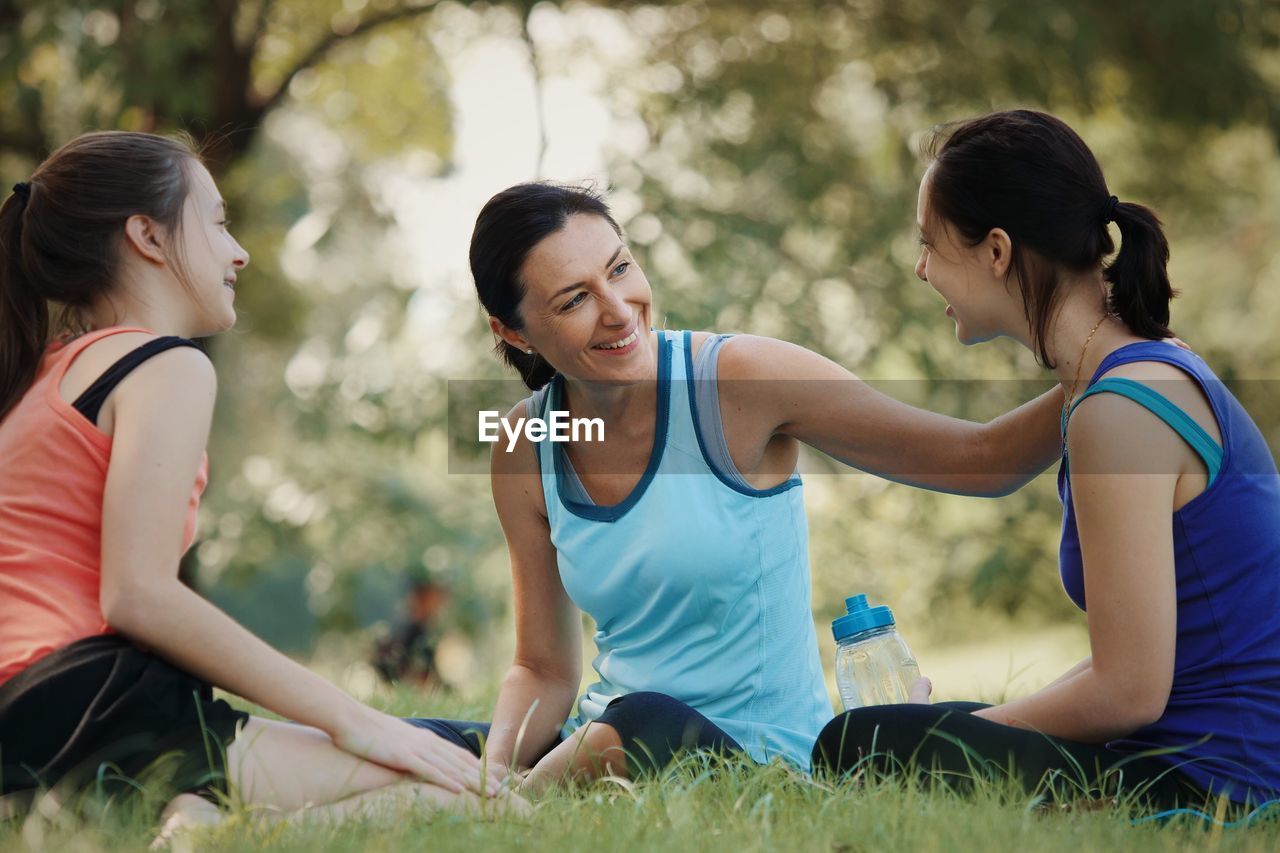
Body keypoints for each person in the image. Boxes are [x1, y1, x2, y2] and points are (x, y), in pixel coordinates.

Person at [407, 182, 1071, 793]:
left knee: (640, 721)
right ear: (512, 330)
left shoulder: (737, 381)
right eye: (575, 299)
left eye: (619, 268)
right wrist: (492, 768)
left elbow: (981, 459)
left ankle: (514, 801)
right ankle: (501, 795)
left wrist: (1109, 360)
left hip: (751, 753)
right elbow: (544, 670)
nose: (618, 311)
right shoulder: (523, 444)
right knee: (395, 742)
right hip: (599, 737)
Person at [0, 131, 514, 832]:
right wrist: (358, 720)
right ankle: (217, 832)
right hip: (85, 701)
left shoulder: (44, 373)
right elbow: (138, 594)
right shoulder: (161, 364)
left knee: (456, 750)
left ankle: (201, 815)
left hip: (30, 723)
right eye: (215, 221)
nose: (237, 250)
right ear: (147, 235)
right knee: (484, 792)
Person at [812, 109, 1280, 810]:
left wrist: (961, 731)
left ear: (996, 250)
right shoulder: (1124, 373)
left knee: (858, 744)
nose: (920, 268)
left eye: (929, 245)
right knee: (895, 731)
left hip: (1218, 778)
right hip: (1205, 748)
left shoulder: (1116, 409)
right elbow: (988, 457)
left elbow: (1127, 690)